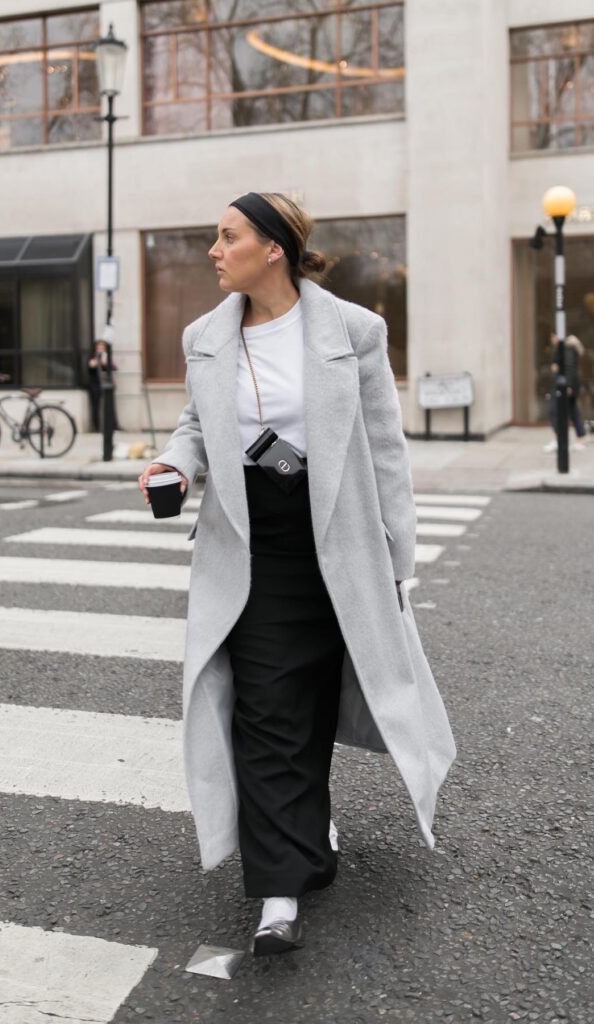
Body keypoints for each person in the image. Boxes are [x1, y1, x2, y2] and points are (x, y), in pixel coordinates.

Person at [139, 192, 456, 956]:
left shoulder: (353, 330)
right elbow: (195, 424)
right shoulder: (205, 336)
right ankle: (279, 890)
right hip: (252, 542)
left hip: (338, 537)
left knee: (310, 696)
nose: (214, 250)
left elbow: (386, 448)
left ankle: (306, 820)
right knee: (266, 706)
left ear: (273, 248)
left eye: (227, 237)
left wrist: (397, 559)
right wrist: (175, 464)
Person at [544, 333, 586, 452]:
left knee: (554, 411)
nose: (552, 340)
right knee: (573, 411)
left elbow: (569, 367)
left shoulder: (566, 348)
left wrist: (568, 386)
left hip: (564, 386)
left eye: (553, 337)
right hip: (570, 385)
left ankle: (558, 440)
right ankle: (580, 440)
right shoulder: (568, 348)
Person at [87, 339, 119, 432]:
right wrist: (97, 360)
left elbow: (114, 368)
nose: (100, 348)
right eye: (99, 347)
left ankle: (113, 426)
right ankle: (96, 427)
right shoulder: (92, 356)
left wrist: (105, 362)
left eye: (102, 347)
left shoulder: (107, 357)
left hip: (107, 384)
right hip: (95, 384)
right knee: (96, 406)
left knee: (110, 406)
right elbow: (90, 366)